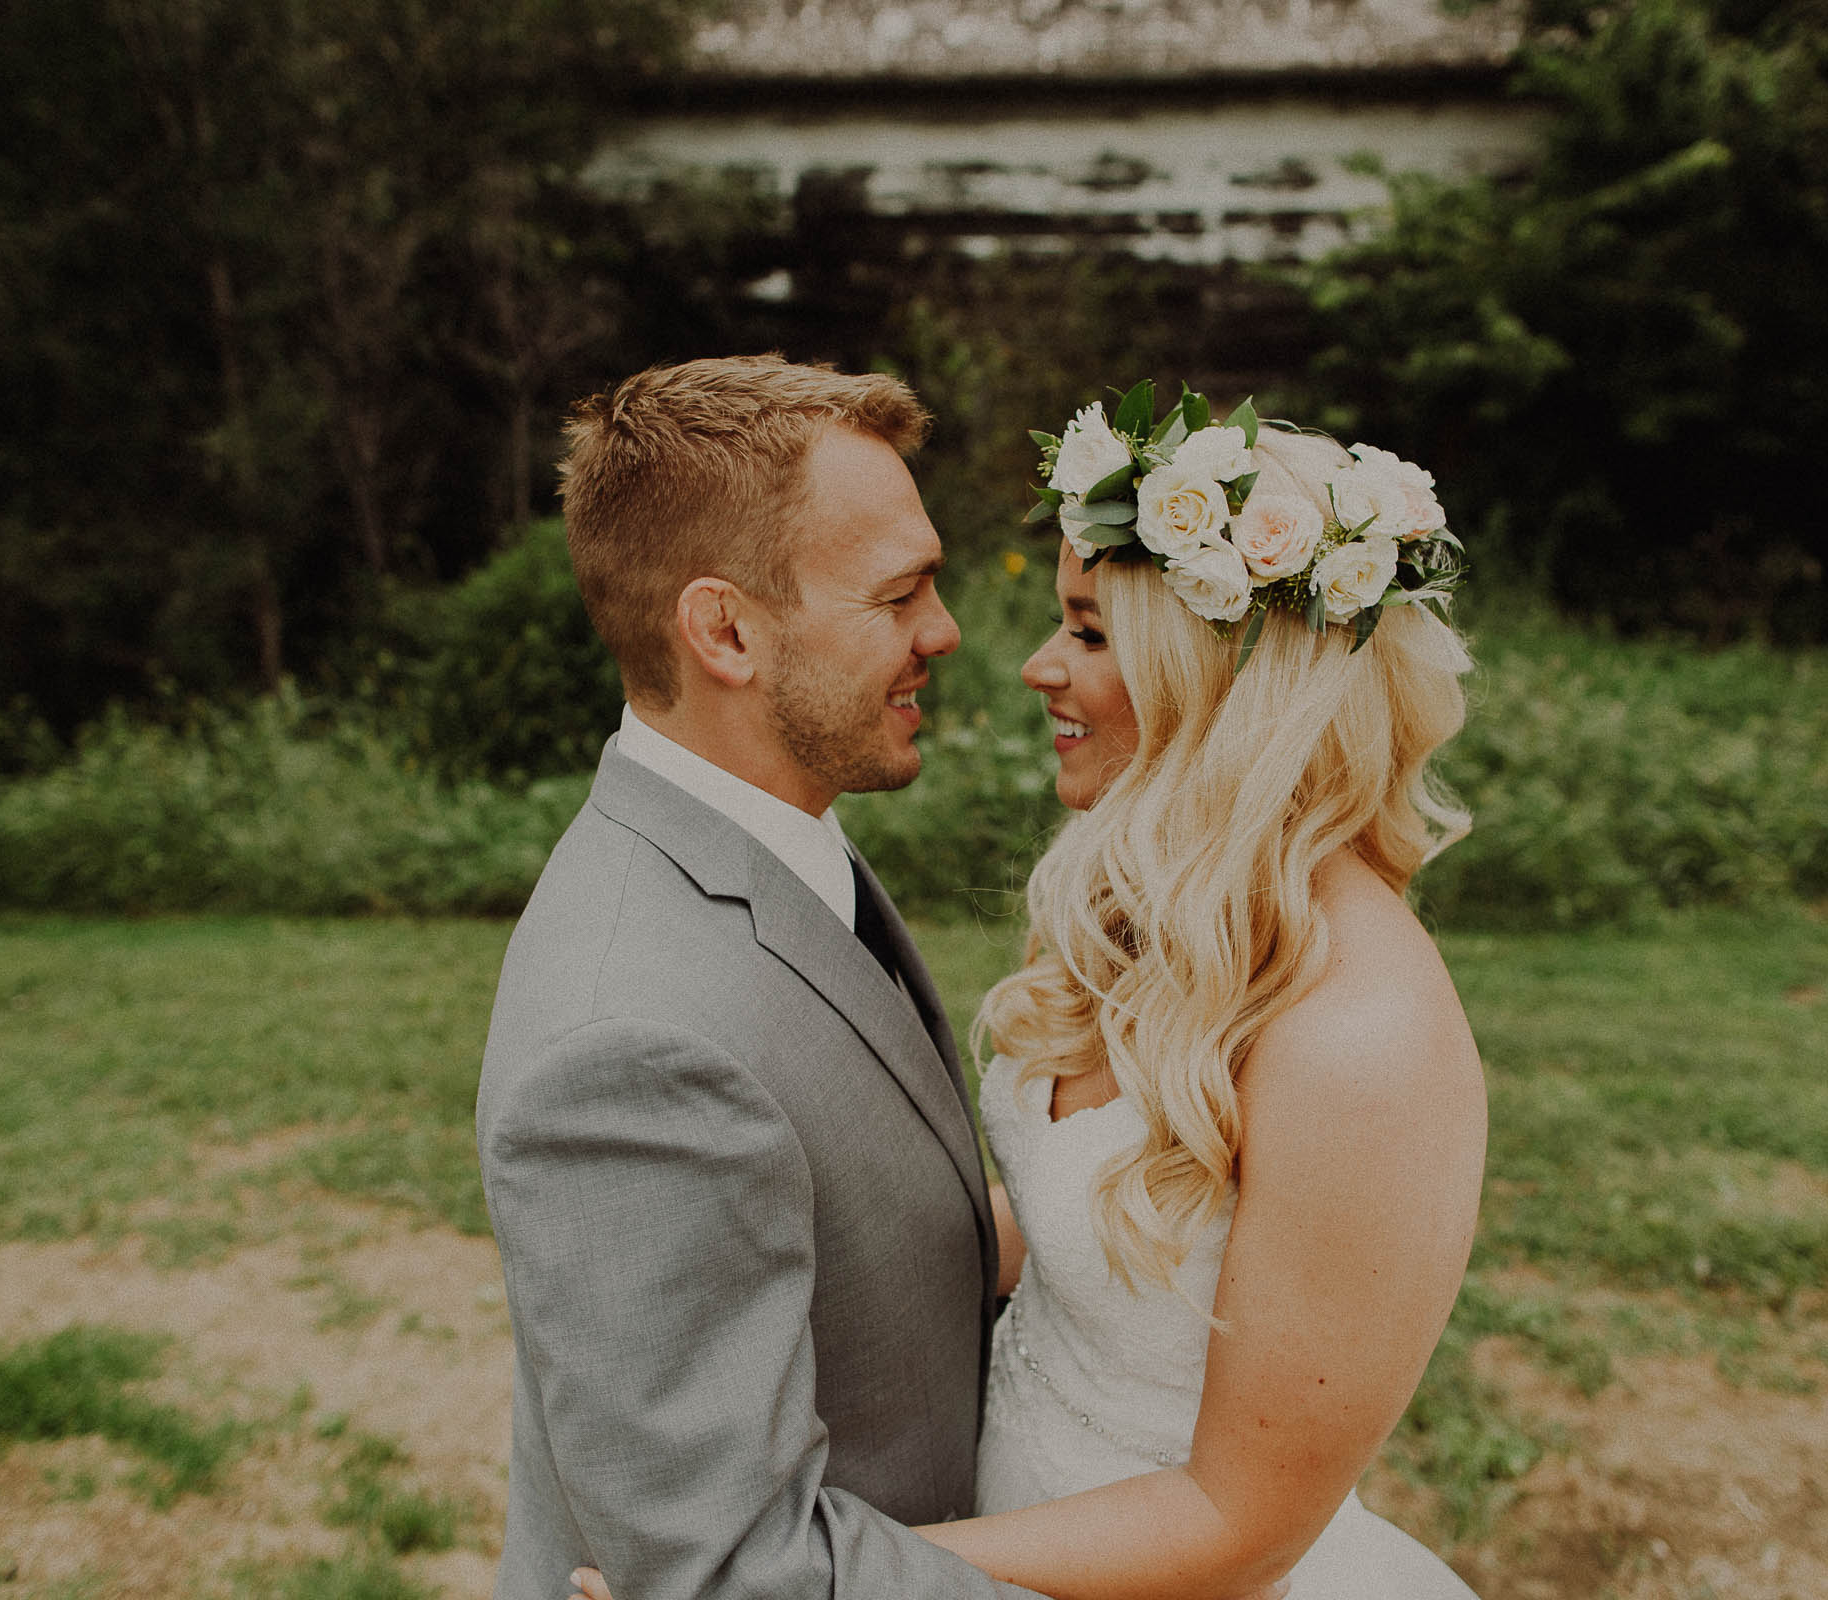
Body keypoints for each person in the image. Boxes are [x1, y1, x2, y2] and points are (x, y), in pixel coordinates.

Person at [568, 387, 1488, 1600]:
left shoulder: (1358, 1034)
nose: (1035, 666)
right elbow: (1078, 1225)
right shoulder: (1153, 920)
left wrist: (795, 1579)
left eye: (1092, 634)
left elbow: (1238, 1519)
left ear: (1224, 676)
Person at [474, 355, 1045, 1600]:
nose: (944, 632)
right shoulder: (627, 1044)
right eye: (899, 596)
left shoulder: (770, 839)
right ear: (724, 629)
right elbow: (736, 1573)